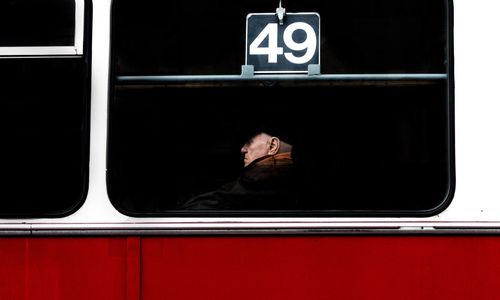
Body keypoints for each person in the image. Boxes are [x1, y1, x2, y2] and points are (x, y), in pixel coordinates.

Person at [180, 132, 299, 210]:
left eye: (249, 142)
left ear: (272, 146)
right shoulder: (297, 181)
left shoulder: (256, 181)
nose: (243, 149)